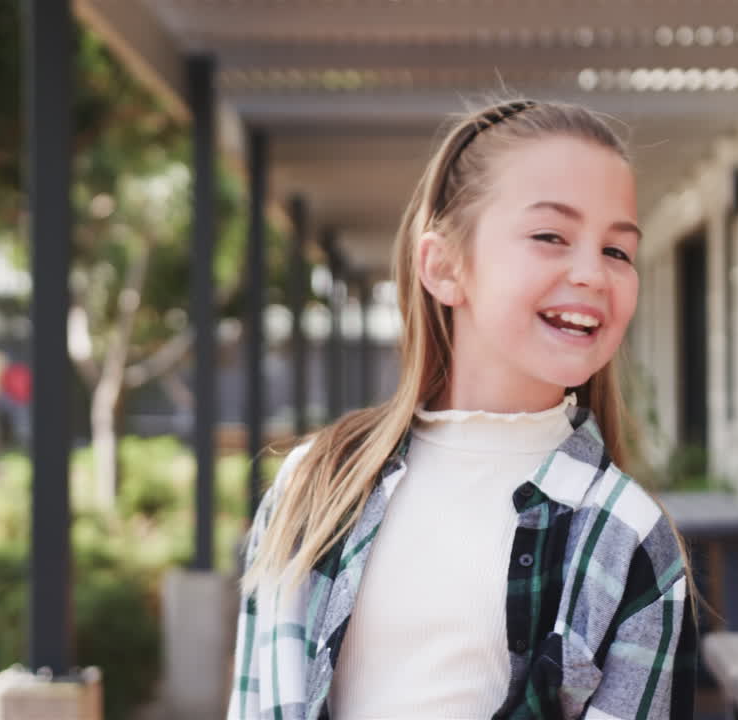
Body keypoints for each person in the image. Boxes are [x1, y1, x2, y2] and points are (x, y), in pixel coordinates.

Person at [227, 99, 699, 720]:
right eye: (551, 236)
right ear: (444, 267)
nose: (592, 273)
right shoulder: (315, 486)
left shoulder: (629, 539)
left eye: (618, 251)